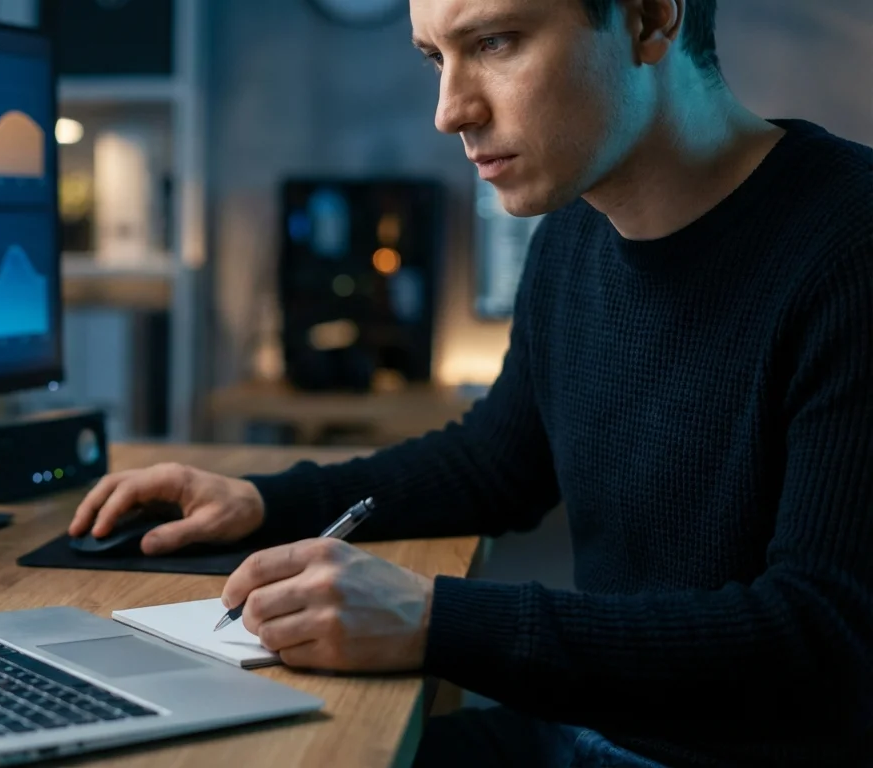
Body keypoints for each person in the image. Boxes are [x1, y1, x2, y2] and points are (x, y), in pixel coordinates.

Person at [71, 0, 872, 765]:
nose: (450, 111)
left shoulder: (850, 247)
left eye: (495, 42)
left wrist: (434, 621)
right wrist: (260, 503)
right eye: (435, 58)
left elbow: (822, 638)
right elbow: (497, 463)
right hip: (587, 731)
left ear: (649, 19)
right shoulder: (573, 233)